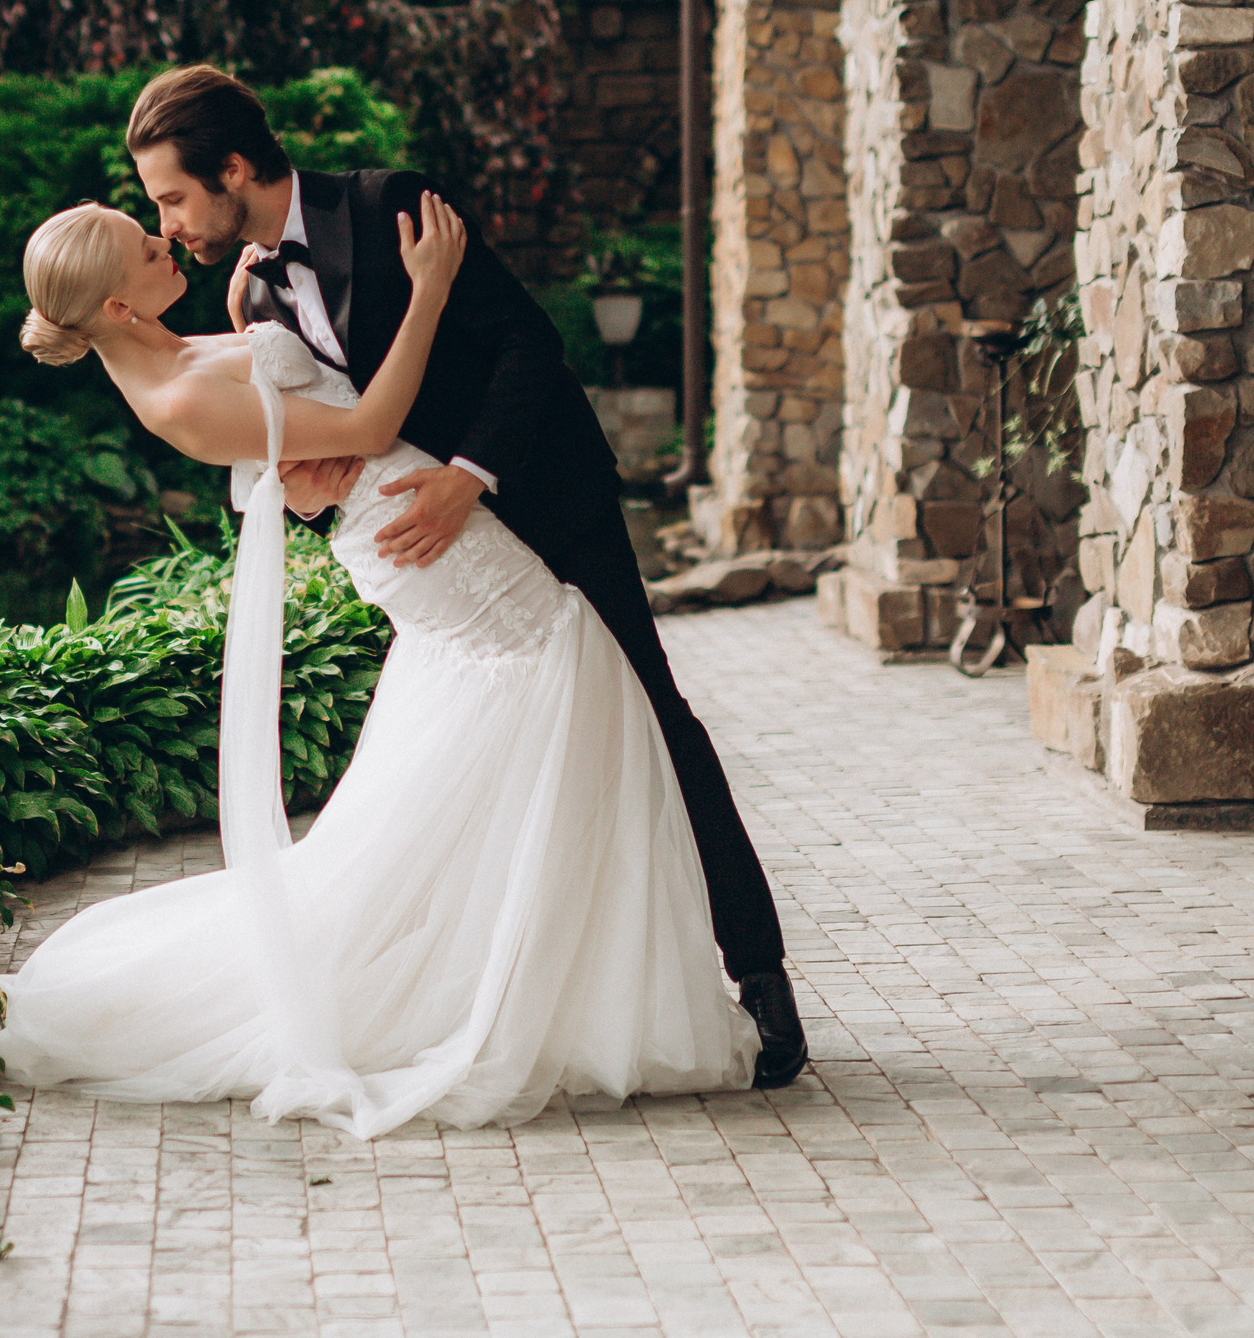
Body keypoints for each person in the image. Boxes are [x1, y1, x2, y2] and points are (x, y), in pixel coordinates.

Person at [0, 191, 758, 1137]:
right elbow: (366, 420)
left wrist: (250, 330)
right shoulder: (173, 394)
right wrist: (429, 289)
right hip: (418, 530)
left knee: (527, 709)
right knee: (566, 671)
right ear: (116, 308)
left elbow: (284, 408)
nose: (165, 237)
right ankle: (543, 987)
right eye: (146, 242)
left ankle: (530, 971)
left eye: (159, 215)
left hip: (414, 522)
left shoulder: (178, 352)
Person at [129, 63, 806, 1087]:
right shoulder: (252, 288)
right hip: (448, 566)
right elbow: (316, 443)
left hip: (541, 497)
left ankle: (757, 974)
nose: (170, 223)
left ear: (232, 168)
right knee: (521, 751)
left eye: (174, 198)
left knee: (655, 718)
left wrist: (467, 476)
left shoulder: (390, 205)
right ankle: (553, 990)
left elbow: (527, 349)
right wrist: (320, 501)